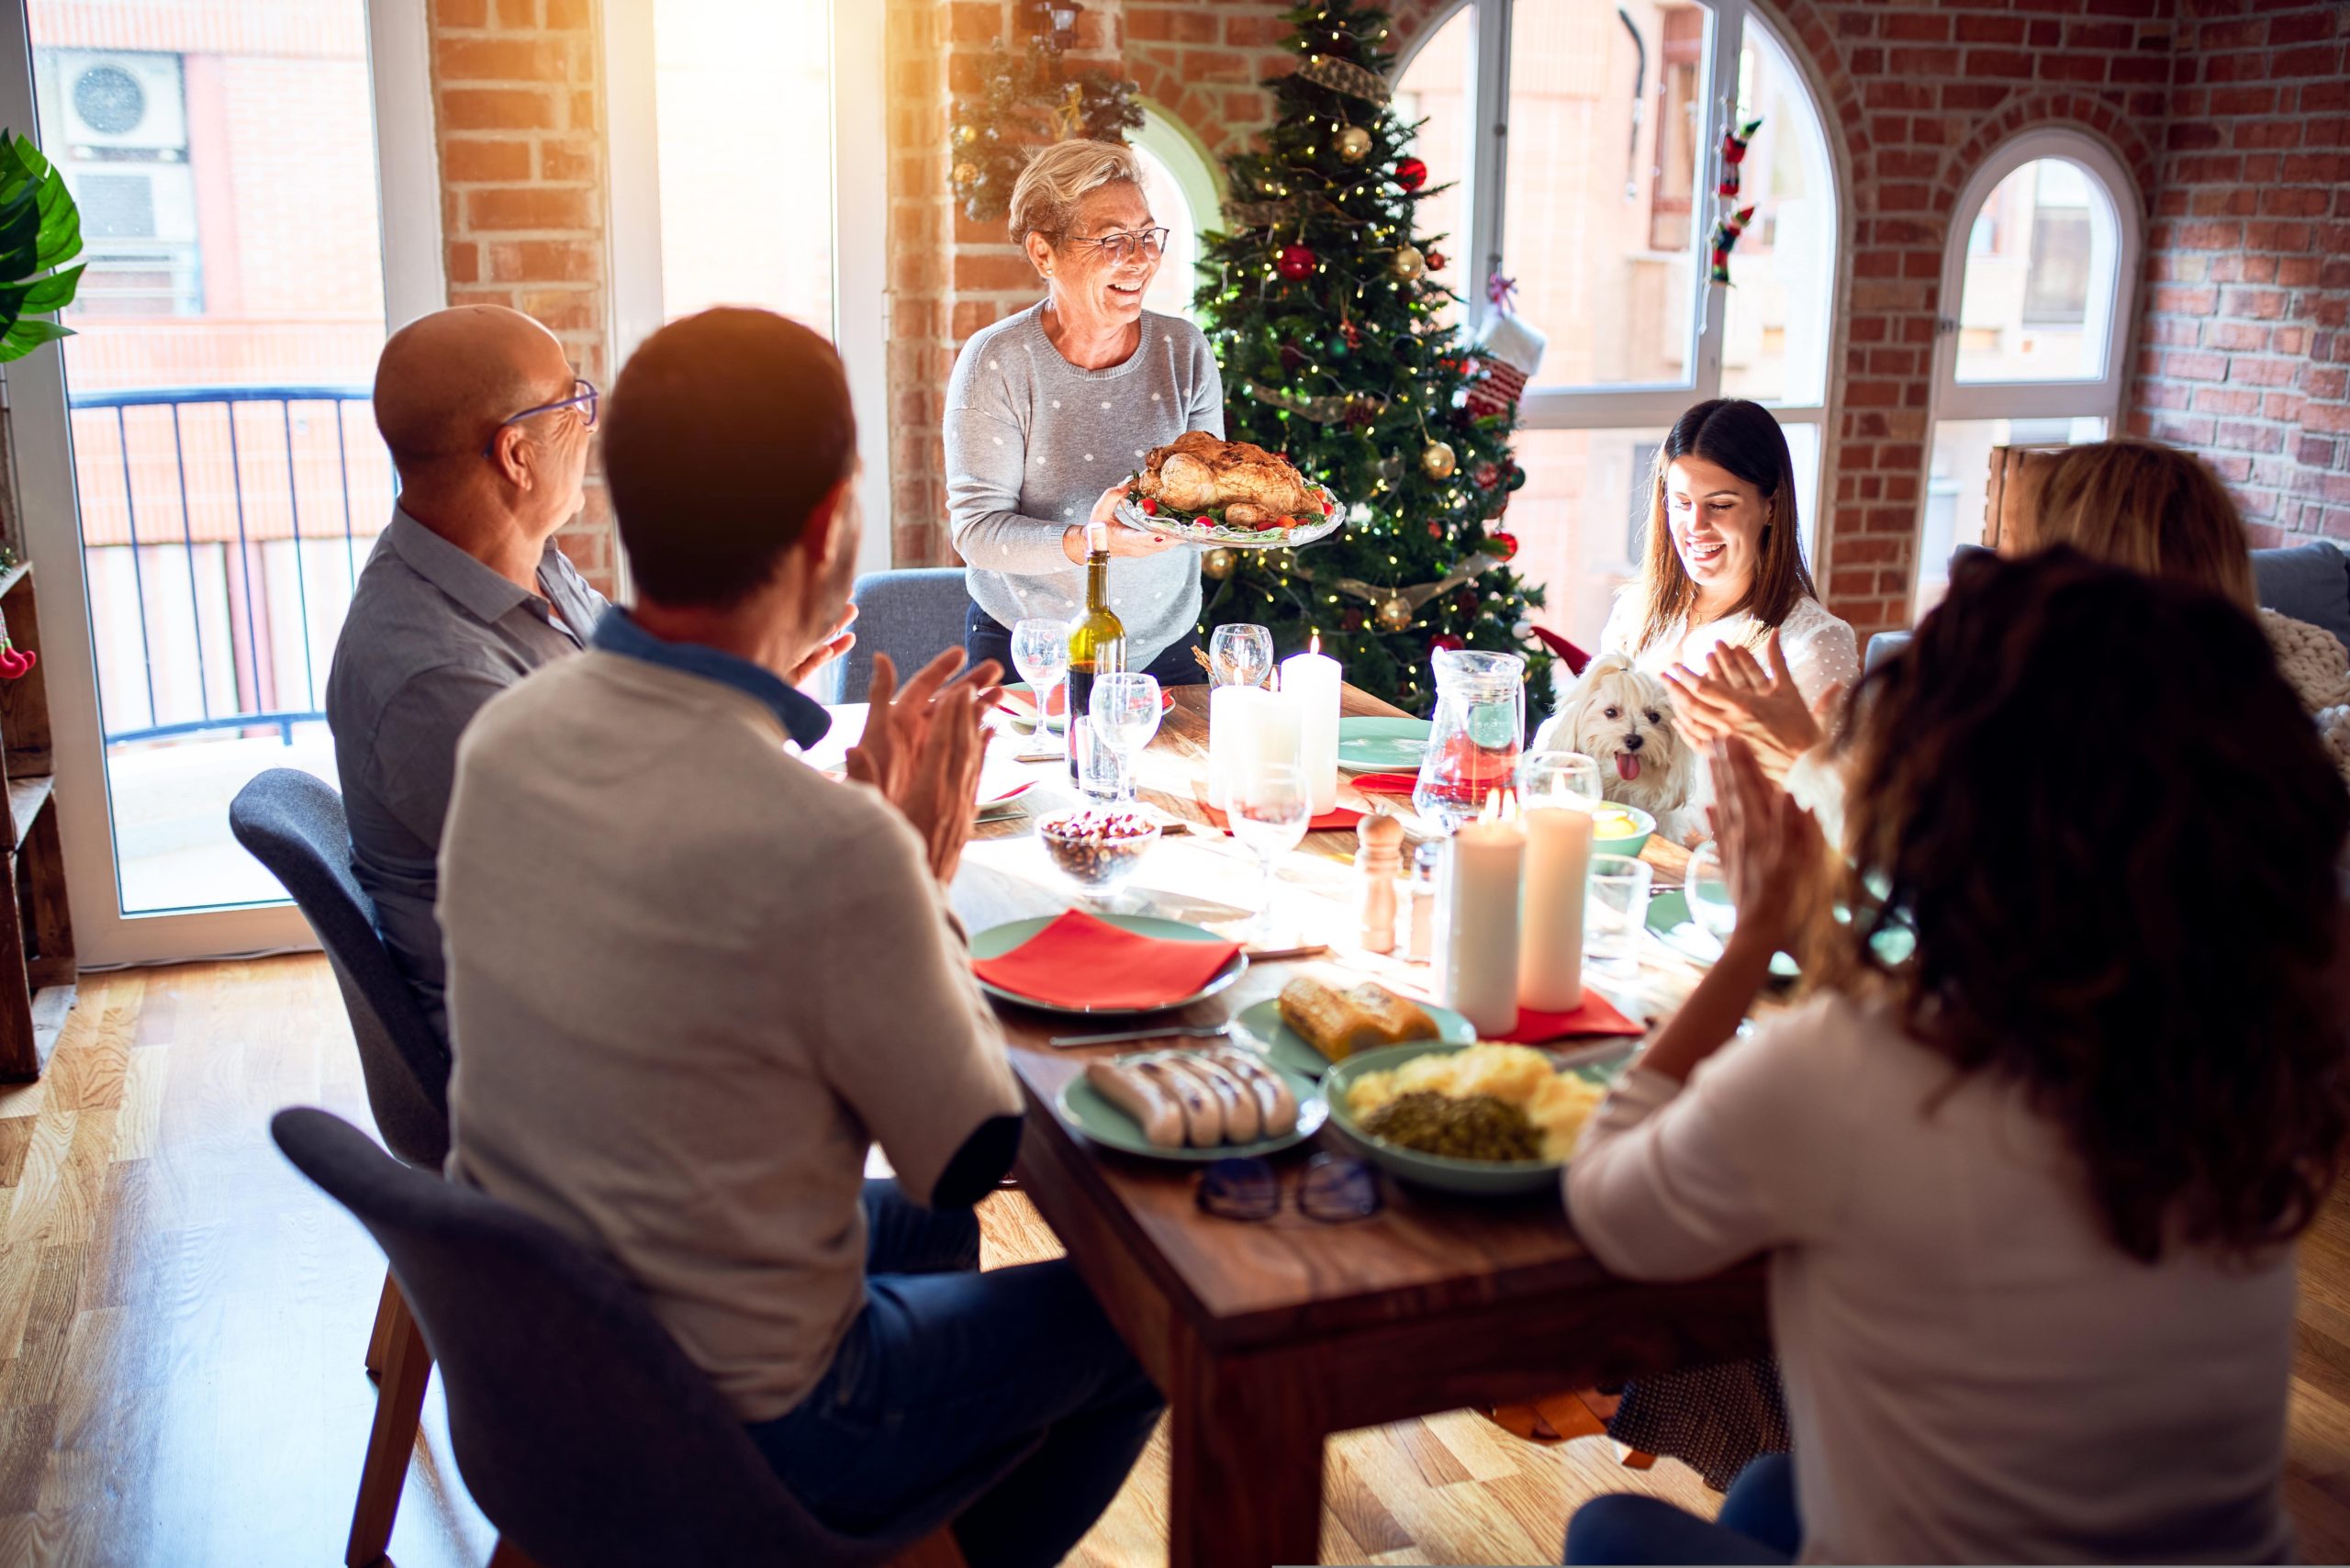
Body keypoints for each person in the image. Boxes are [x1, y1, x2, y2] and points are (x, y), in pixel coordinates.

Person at [438, 307, 1161, 1568]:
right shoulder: (828, 848)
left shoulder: (507, 738)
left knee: (928, 1250)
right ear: (830, 528)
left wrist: (883, 861)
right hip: (748, 1423)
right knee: (1143, 1322)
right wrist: (919, 869)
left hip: (540, 1366)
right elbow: (969, 1155)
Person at [1564, 547, 2348, 1564]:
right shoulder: (2251, 1068)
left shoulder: (1839, 1066)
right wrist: (1814, 940)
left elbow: (1608, 1200)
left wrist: (1759, 932)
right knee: (1772, 1489)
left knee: (1608, 1529)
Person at [328, 307, 856, 1039]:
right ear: (517, 455)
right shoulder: (434, 677)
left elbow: (629, 737)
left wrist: (745, 684)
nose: (591, 423)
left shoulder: (529, 556)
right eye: (573, 402)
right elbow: (634, 886)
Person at [945, 138, 1222, 686]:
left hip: (1167, 645)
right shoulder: (997, 361)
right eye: (1112, 239)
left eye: (1146, 235)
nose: (1141, 258)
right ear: (1043, 253)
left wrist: (1235, 519)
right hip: (1029, 648)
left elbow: (1207, 497)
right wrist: (1091, 541)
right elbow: (977, 531)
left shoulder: (1183, 350)